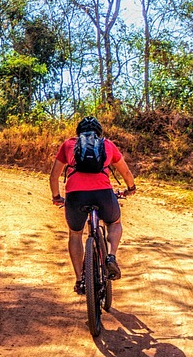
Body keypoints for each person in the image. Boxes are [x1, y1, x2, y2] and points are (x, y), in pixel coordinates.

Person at [49, 116, 136, 293]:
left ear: (78, 132)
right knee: (114, 222)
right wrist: (131, 188)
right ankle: (111, 256)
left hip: (75, 196)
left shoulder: (68, 145)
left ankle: (80, 279)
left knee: (75, 234)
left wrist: (57, 196)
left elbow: (54, 176)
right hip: (102, 194)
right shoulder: (107, 145)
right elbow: (125, 171)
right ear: (99, 132)